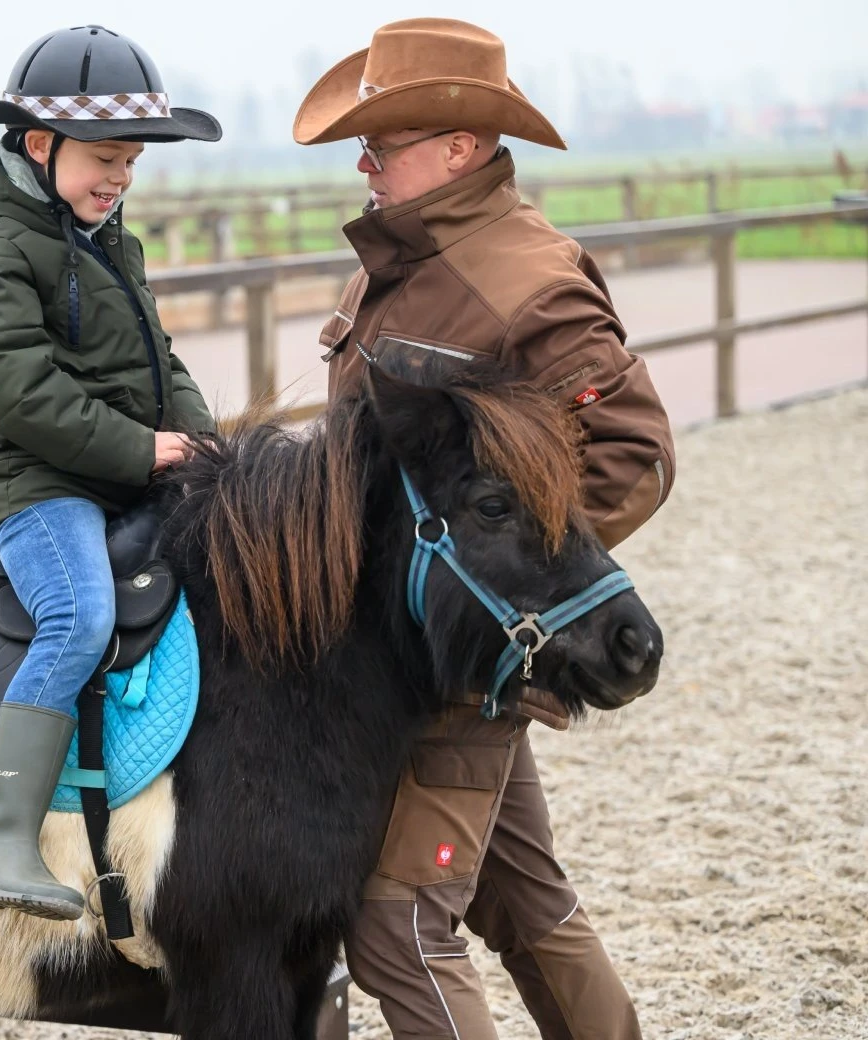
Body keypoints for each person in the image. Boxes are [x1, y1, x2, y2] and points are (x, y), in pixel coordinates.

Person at [293, 18, 676, 1039]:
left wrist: (506, 584)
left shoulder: (527, 281)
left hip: (457, 652)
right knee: (523, 900)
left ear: (459, 149)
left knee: (397, 924)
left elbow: (631, 450)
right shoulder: (398, 260)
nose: (365, 160)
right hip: (397, 655)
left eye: (387, 141)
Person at [0, 24, 220, 920]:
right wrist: (140, 451)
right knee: (80, 613)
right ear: (37, 144)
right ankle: (2, 841)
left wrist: (210, 446)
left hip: (115, 469)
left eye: (131, 162)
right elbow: (17, 389)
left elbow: (158, 361)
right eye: (105, 158)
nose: (119, 179)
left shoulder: (101, 234)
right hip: (36, 483)